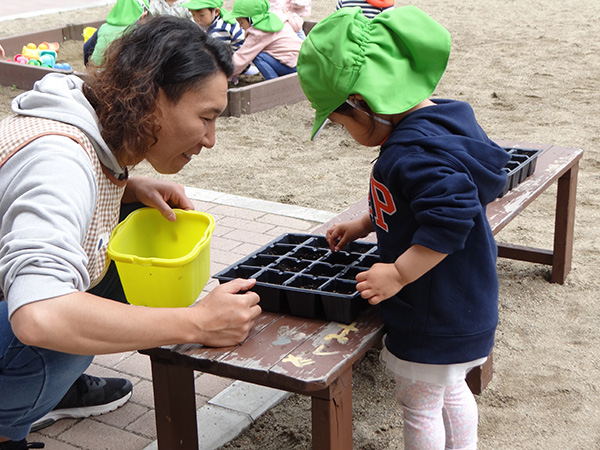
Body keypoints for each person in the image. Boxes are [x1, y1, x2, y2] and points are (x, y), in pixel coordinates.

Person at [0, 15, 261, 450]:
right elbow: (40, 314)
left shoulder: (85, 118)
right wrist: (195, 323)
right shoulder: (60, 162)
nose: (210, 139)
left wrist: (125, 188)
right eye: (206, 117)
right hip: (22, 313)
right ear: (152, 97)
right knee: (75, 317)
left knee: (125, 252)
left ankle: (50, 392)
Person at [296, 6, 511, 450]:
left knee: (419, 403)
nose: (347, 134)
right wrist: (365, 222)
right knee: (450, 387)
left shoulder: (413, 154)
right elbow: (420, 203)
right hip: (465, 301)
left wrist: (397, 274)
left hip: (435, 307)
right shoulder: (444, 123)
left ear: (362, 103)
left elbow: (451, 218)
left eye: (341, 124)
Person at [225, 0, 303, 80]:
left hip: (294, 69)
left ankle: (273, 83)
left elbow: (241, 58)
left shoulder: (257, 34)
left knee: (257, 55)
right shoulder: (276, 18)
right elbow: (297, 26)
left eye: (241, 22)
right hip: (304, 61)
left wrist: (224, 74)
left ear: (251, 19)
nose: (240, 26)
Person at [85, 0, 150, 66]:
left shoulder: (103, 27)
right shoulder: (138, 31)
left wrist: (88, 66)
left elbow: (86, 48)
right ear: (143, 14)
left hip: (96, 70)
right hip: (121, 73)